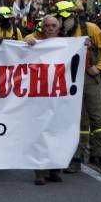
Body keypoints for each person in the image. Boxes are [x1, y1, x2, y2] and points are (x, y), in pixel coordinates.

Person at [46, 0, 101, 174]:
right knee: (73, 119)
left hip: (88, 79)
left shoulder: (89, 29)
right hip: (66, 80)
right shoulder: (57, 33)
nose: (63, 22)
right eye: (60, 19)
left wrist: (99, 67)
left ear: (74, 16)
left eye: (66, 18)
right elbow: (36, 40)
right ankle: (75, 157)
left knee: (97, 117)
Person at [24, 15, 65, 185]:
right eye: (47, 25)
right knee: (40, 133)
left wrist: (85, 46)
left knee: (57, 132)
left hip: (58, 96)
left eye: (53, 25)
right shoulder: (35, 41)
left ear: (58, 28)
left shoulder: (66, 44)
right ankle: (40, 172)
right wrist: (29, 41)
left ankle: (55, 169)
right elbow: (25, 41)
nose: (49, 28)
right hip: (39, 96)